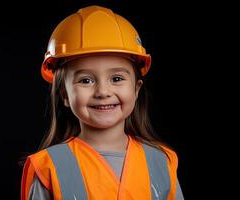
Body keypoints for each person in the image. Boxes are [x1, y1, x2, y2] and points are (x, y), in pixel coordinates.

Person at [21, 5, 184, 200]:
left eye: (116, 78)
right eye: (85, 80)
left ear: (136, 89)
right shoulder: (48, 167)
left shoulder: (161, 162)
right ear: (64, 94)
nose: (103, 92)